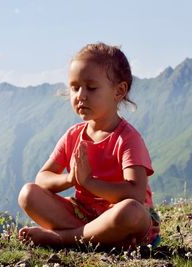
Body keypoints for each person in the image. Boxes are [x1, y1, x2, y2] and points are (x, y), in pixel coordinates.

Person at [17, 42, 160, 248]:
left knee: (130, 211)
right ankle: (99, 238)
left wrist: (89, 183)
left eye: (91, 88)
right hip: (83, 216)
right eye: (75, 88)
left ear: (119, 91)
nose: (81, 95)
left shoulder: (127, 139)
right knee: (28, 194)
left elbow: (136, 194)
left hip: (122, 218)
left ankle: (63, 239)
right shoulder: (73, 135)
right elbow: (43, 178)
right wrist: (71, 178)